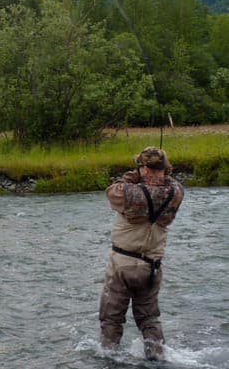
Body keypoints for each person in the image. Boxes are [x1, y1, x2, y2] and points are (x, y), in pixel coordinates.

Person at [99, 146, 184, 361]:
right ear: (165, 169)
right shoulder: (175, 192)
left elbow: (111, 191)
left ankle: (109, 358)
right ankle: (158, 358)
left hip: (123, 264)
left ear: (144, 169)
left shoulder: (130, 192)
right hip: (152, 267)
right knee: (149, 319)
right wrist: (162, 173)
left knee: (111, 318)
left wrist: (134, 175)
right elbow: (170, 182)